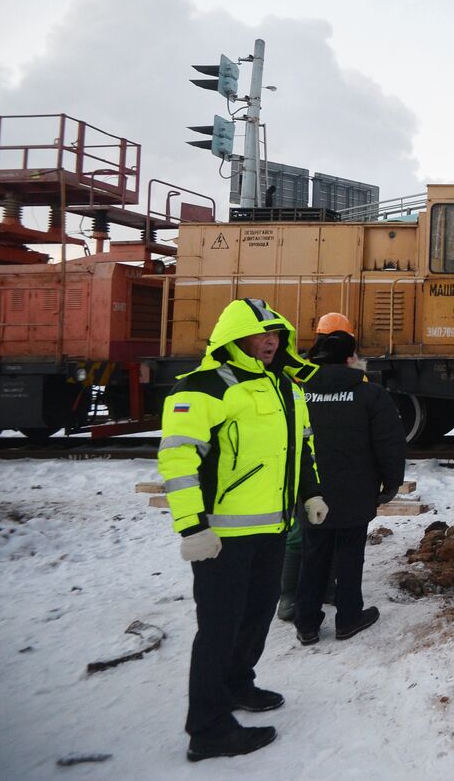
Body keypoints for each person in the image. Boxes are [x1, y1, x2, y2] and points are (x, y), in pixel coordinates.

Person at [157, 298, 323, 761]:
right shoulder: (205, 387)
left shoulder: (284, 387)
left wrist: (311, 493)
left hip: (271, 528)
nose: (271, 342)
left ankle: (237, 685)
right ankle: (207, 729)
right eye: (261, 334)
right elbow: (177, 459)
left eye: (277, 335)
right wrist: (191, 527)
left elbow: (301, 447)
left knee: (255, 616)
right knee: (218, 628)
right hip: (221, 536)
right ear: (234, 338)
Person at [293, 328, 407, 644]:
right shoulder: (370, 394)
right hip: (355, 492)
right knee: (349, 555)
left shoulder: (299, 392)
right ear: (350, 358)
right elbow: (390, 444)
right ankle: (348, 618)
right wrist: (391, 484)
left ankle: (307, 624)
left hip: (311, 490)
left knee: (312, 555)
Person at [277, 312, 355, 623]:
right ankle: (289, 596)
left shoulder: (301, 370)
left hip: (321, 462)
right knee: (301, 533)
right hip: (308, 463)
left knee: (319, 531)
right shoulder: (301, 374)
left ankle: (318, 588)